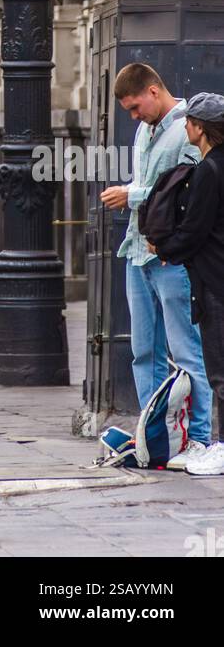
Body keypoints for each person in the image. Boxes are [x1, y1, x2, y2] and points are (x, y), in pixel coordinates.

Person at [102, 63, 213, 467]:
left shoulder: (188, 127)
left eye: (135, 106)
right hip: (137, 251)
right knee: (143, 350)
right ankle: (153, 436)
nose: (133, 115)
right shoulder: (144, 129)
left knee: (186, 349)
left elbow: (186, 187)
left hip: (171, 256)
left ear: (153, 91)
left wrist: (131, 194)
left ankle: (200, 437)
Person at [149, 93, 224, 476]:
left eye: (190, 122)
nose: (186, 128)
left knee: (218, 367)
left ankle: (220, 445)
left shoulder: (209, 170)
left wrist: (165, 248)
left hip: (213, 278)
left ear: (200, 127)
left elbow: (196, 228)